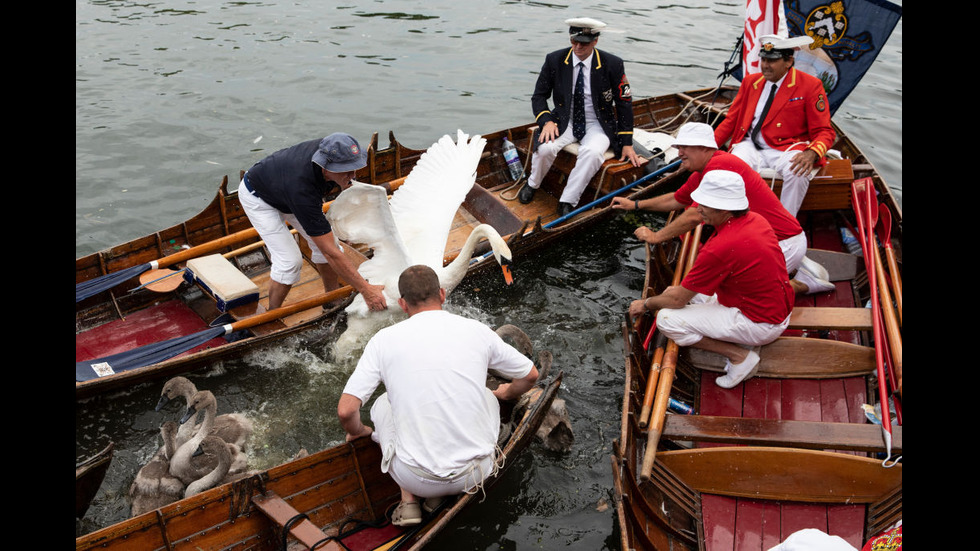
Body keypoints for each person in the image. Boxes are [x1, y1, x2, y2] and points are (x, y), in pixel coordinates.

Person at [337, 265, 539, 526]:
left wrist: (359, 432)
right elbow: (531, 375)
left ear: (402, 303)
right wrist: (505, 392)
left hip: (416, 479)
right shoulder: (475, 329)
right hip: (476, 474)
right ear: (442, 294)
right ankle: (442, 496)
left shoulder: (383, 340)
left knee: (382, 403)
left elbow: (346, 410)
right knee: (488, 395)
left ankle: (409, 501)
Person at [612, 122, 833, 294]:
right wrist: (635, 204)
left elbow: (692, 216)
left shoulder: (720, 166)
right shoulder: (704, 171)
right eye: (679, 147)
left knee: (729, 294)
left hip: (781, 244)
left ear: (704, 148)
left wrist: (656, 237)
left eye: (684, 147)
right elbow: (678, 200)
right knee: (717, 289)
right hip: (765, 241)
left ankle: (803, 283)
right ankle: (792, 274)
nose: (679, 153)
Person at [628, 170, 794, 388]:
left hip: (761, 323)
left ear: (724, 209)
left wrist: (646, 304)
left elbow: (678, 301)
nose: (698, 209)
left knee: (666, 319)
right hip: (777, 309)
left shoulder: (721, 246)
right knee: (670, 292)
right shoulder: (756, 220)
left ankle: (739, 356)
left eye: (705, 205)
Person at [239, 133, 387, 311]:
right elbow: (330, 253)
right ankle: (272, 314)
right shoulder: (302, 189)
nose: (353, 175)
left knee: (330, 244)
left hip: (283, 187)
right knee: (290, 262)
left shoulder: (334, 148)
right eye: (346, 170)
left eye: (354, 168)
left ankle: (332, 299)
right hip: (259, 198)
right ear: (325, 167)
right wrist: (366, 290)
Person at [517, 17, 641, 217]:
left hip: (597, 123)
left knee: (592, 153)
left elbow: (624, 103)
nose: (577, 47)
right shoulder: (554, 59)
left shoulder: (613, 64)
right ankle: (532, 184)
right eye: (573, 41)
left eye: (583, 43)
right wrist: (546, 121)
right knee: (546, 147)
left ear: (595, 41)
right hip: (564, 119)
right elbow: (539, 96)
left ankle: (568, 200)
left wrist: (626, 142)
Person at [713, 34, 836, 217]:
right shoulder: (751, 82)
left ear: (788, 62)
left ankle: (785, 225)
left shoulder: (810, 86)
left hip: (787, 149)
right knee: (732, 169)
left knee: (798, 172)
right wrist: (705, 148)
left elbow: (824, 131)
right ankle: (736, 219)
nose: (765, 65)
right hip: (750, 145)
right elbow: (730, 121)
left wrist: (811, 153)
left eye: (772, 60)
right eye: (763, 59)